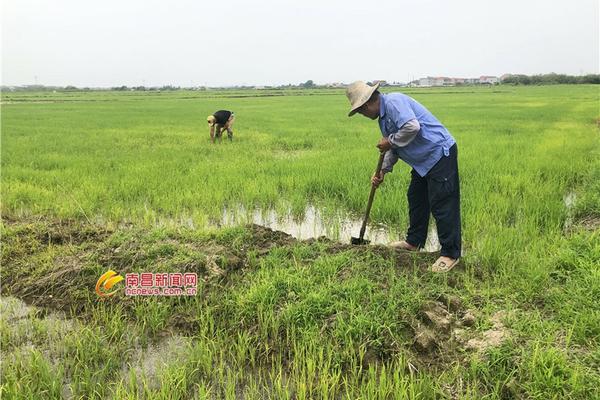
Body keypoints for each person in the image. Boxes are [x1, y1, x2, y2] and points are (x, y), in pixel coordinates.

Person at [345, 81, 461, 272]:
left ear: (366, 105)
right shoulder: (383, 119)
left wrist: (389, 141)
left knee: (442, 203)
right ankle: (414, 242)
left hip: (439, 154)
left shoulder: (393, 102)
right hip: (422, 162)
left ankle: (450, 253)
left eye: (360, 111)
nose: (362, 115)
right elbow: (395, 148)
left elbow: (412, 127)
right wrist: (382, 170)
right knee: (416, 197)